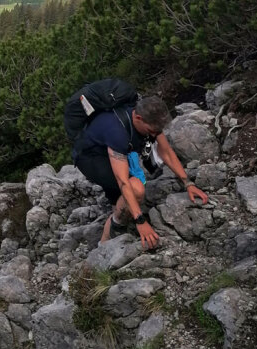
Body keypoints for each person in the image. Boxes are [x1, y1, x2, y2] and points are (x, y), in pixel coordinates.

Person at [72, 94, 208, 249]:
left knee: (130, 189)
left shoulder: (149, 120)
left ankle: (118, 203)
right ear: (138, 118)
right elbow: (123, 181)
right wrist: (140, 221)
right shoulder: (117, 132)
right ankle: (109, 235)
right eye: (151, 131)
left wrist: (188, 183)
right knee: (136, 189)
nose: (154, 136)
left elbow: (166, 152)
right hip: (91, 158)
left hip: (113, 149)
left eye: (158, 132)